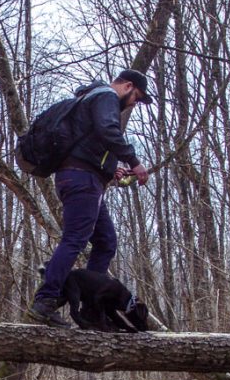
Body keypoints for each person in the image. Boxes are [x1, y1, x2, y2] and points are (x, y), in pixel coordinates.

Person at [26, 68, 153, 327]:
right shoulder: (105, 96)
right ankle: (46, 300)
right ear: (128, 86)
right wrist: (134, 161)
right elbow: (108, 130)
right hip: (81, 180)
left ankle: (93, 307)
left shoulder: (91, 100)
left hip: (85, 177)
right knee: (74, 240)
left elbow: (90, 142)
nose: (135, 104)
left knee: (106, 241)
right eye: (137, 98)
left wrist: (110, 168)